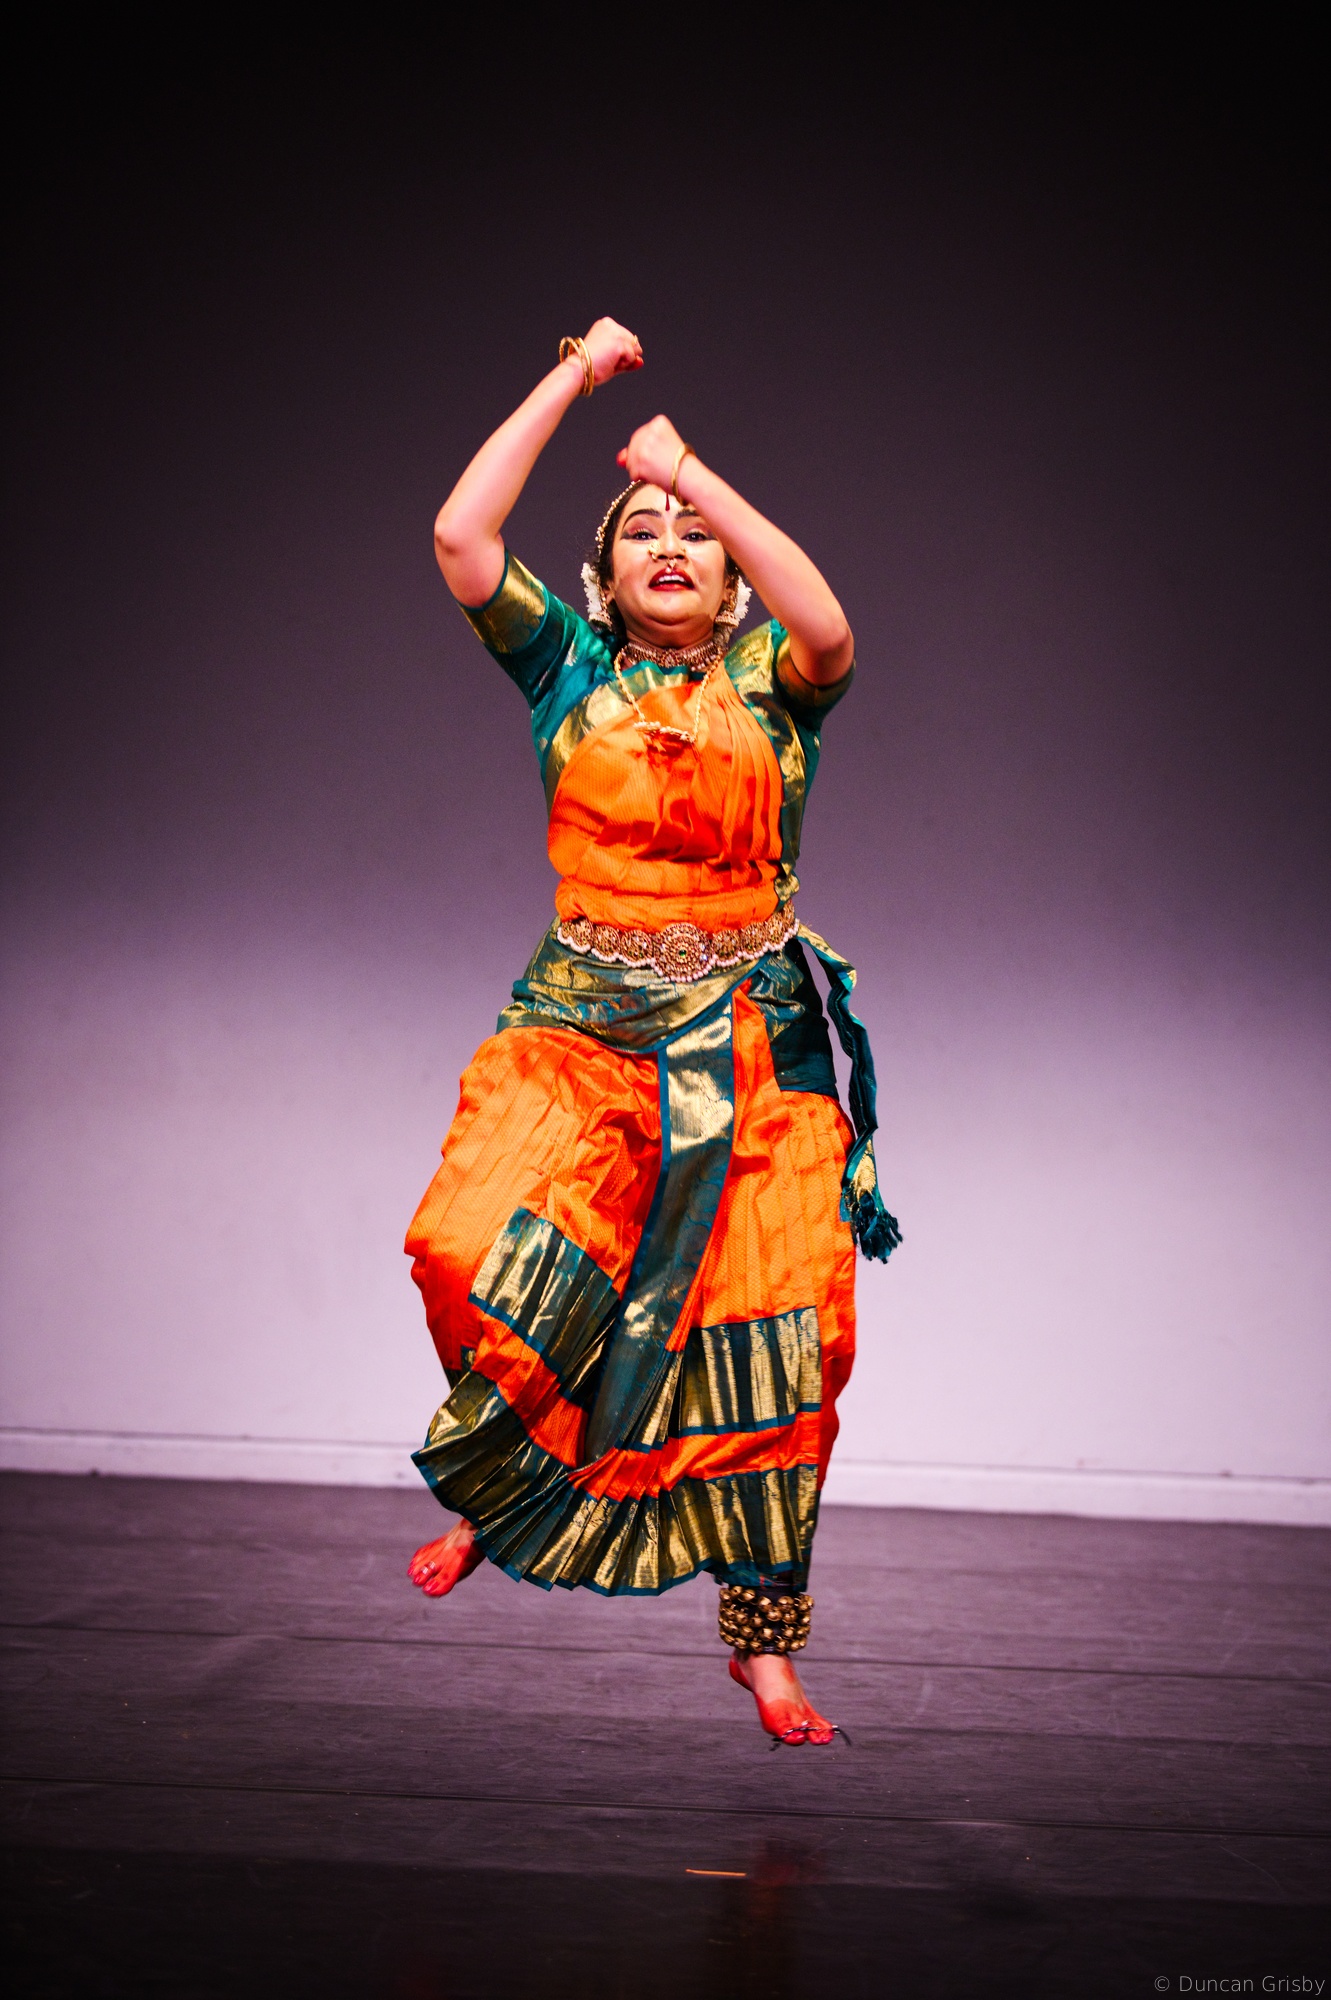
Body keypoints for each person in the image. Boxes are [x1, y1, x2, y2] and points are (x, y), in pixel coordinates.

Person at [404, 318, 899, 1746]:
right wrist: (577, 375)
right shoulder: (568, 674)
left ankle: (763, 1641)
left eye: (695, 539)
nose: (670, 545)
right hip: (585, 1036)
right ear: (602, 580)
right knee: (473, 1255)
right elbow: (460, 535)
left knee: (775, 1340)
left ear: (731, 581)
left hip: (752, 1049)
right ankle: (506, 1494)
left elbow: (829, 628)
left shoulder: (774, 687)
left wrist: (691, 473)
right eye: (641, 534)